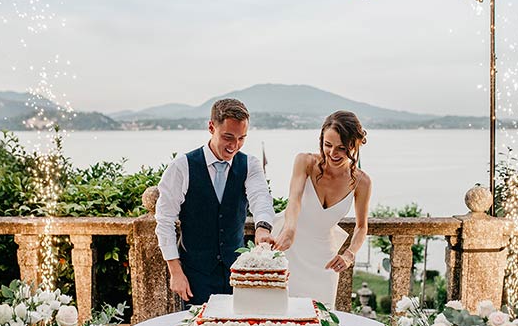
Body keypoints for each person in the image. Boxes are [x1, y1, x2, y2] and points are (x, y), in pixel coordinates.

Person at [155, 98, 275, 307]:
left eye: (241, 138)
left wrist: (263, 228)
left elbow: (260, 198)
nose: (234, 146)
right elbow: (164, 221)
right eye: (228, 137)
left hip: (237, 274)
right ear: (211, 127)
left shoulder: (250, 165)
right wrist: (175, 272)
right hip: (195, 276)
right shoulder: (182, 166)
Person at [273, 110, 371, 309]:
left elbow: (361, 227)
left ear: (355, 145)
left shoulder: (362, 182)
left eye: (342, 148)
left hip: (324, 261)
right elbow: (294, 200)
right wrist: (290, 229)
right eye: (328, 145)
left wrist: (349, 255)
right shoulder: (305, 162)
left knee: (320, 319)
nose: (333, 154)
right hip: (289, 249)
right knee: (281, 316)